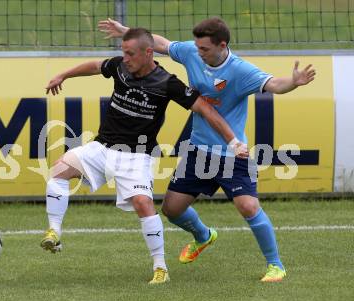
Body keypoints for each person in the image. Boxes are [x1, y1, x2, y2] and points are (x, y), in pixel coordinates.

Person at [98, 17, 316, 282]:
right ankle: (203, 236)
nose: (198, 53)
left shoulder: (240, 71)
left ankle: (275, 265)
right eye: (197, 47)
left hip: (231, 153)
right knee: (171, 210)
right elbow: (163, 45)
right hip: (198, 150)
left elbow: (274, 85)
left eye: (204, 49)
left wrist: (293, 82)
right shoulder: (192, 51)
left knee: (247, 206)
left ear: (222, 45)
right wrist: (127, 32)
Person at [43, 27, 247, 284]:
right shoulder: (120, 67)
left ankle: (160, 268)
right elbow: (96, 66)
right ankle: (54, 232)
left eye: (130, 54)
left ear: (148, 52)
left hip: (137, 156)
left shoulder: (167, 83)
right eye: (123, 53)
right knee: (59, 172)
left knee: (143, 204)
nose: (125, 59)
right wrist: (64, 75)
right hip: (102, 147)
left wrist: (233, 141)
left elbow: (205, 110)